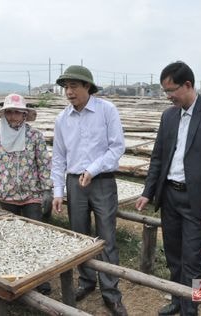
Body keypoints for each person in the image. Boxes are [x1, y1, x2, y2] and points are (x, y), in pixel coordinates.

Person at [135, 61, 201, 316]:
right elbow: (158, 157)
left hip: (196, 200)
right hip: (170, 196)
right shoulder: (169, 115)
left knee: (193, 259)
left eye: (172, 90)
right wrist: (148, 191)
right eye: (165, 91)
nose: (168, 96)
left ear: (188, 85)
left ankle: (192, 308)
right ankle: (178, 300)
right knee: (174, 255)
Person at [51, 65, 127, 316]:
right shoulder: (62, 119)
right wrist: (58, 191)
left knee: (106, 237)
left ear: (87, 87)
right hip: (75, 183)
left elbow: (116, 148)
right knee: (80, 236)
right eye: (66, 87)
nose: (69, 92)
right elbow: (59, 157)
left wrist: (92, 170)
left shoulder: (107, 111)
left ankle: (111, 292)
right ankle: (86, 281)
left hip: (102, 180)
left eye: (74, 86)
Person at [0, 93, 53, 294]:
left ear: (25, 115)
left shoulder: (34, 136)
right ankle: (17, 275)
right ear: (4, 115)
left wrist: (47, 190)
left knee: (34, 236)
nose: (13, 117)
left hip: (31, 195)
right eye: (9, 112)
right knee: (12, 238)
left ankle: (40, 279)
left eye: (17, 113)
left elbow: (44, 164)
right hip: (7, 195)